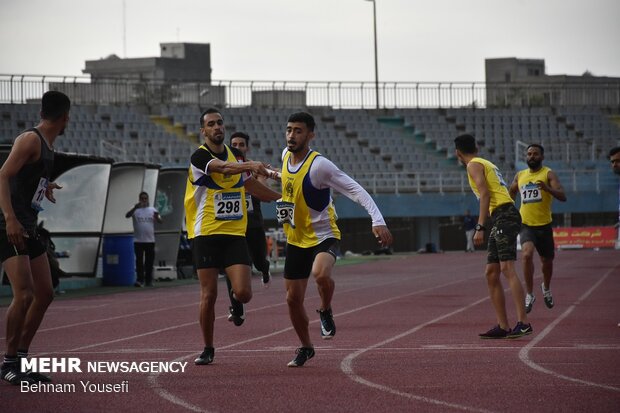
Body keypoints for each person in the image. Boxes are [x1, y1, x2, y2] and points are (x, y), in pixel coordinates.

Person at [277, 112, 393, 367]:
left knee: (320, 274)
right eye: (289, 130)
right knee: (291, 300)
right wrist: (261, 170)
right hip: (296, 238)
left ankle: (325, 308)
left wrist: (377, 219)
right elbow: (287, 179)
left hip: (323, 235)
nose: (291, 135)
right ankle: (306, 347)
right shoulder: (285, 157)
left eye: (298, 131)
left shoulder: (320, 166)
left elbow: (354, 189)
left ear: (310, 135)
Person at [184, 108, 280, 366]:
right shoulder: (199, 156)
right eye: (211, 124)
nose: (217, 127)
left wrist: (282, 198)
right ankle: (208, 347)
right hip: (206, 233)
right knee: (209, 294)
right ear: (203, 131)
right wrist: (250, 164)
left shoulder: (235, 155)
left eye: (220, 123)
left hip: (235, 233)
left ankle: (237, 303)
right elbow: (224, 169)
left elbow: (250, 185)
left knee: (244, 292)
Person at [0, 91, 70, 385]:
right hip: (10, 225)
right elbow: (3, 175)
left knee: (45, 292)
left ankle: (22, 358)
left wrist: (44, 185)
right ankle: (8, 362)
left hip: (29, 224)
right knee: (25, 293)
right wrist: (10, 219)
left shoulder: (47, 145)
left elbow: (24, 178)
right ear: (65, 116)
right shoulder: (30, 139)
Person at [453, 134, 532, 339]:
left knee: (506, 267)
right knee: (491, 272)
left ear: (457, 153)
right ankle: (503, 326)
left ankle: (523, 322)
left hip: (504, 215)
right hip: (501, 217)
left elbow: (485, 194)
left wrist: (480, 226)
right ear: (476, 147)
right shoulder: (484, 162)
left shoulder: (473, 165)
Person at [509, 144, 566, 313]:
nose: (531, 156)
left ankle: (546, 287)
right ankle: (529, 294)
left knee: (547, 262)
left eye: (535, 154)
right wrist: (510, 208)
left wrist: (547, 189)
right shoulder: (520, 175)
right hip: (526, 224)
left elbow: (563, 196)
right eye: (529, 154)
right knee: (526, 255)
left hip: (544, 225)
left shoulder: (548, 174)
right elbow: (511, 192)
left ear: (542, 157)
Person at [230, 132, 272, 288]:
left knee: (259, 260)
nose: (237, 148)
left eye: (241, 144)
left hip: (253, 222)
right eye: (234, 145)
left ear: (247, 147)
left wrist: (260, 178)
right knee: (240, 261)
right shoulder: (224, 168)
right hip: (233, 224)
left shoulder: (255, 167)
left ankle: (264, 268)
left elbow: (264, 195)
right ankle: (237, 302)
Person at [125, 191, 162, 287]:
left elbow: (160, 221)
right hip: (138, 240)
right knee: (139, 261)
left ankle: (148, 280)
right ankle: (140, 280)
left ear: (148, 199)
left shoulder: (152, 209)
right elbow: (127, 215)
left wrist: (157, 217)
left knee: (149, 261)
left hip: (150, 240)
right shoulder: (135, 210)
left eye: (146, 198)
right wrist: (135, 207)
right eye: (142, 198)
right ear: (139, 199)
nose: (144, 200)